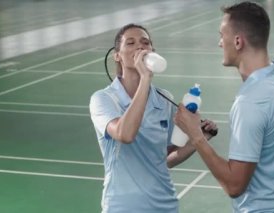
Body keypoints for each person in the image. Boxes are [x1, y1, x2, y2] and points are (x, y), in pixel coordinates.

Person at [174, 2, 274, 212]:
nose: (219, 43)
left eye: (221, 35)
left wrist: (195, 135)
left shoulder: (250, 102)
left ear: (237, 41)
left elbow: (234, 185)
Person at [89, 23, 217, 213]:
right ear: (117, 55)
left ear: (152, 52)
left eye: (145, 43)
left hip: (165, 204)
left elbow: (163, 158)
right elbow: (125, 134)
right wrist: (145, 79)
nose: (140, 47)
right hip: (123, 207)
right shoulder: (103, 99)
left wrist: (199, 139)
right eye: (130, 43)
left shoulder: (163, 99)